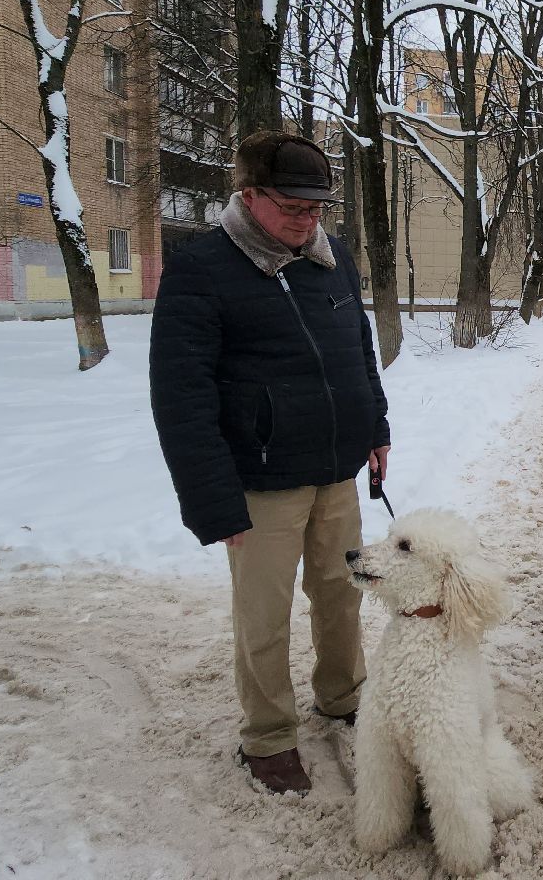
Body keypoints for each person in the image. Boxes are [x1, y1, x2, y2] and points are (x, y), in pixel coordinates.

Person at [149, 131, 391, 798]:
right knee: (264, 614)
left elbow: (358, 351)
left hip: (335, 471)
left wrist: (375, 427)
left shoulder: (331, 257)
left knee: (341, 594)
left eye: (317, 208)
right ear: (250, 195)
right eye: (293, 207)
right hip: (260, 482)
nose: (307, 220)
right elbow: (180, 395)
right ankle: (268, 734)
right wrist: (211, 499)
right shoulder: (203, 268)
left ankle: (343, 694)